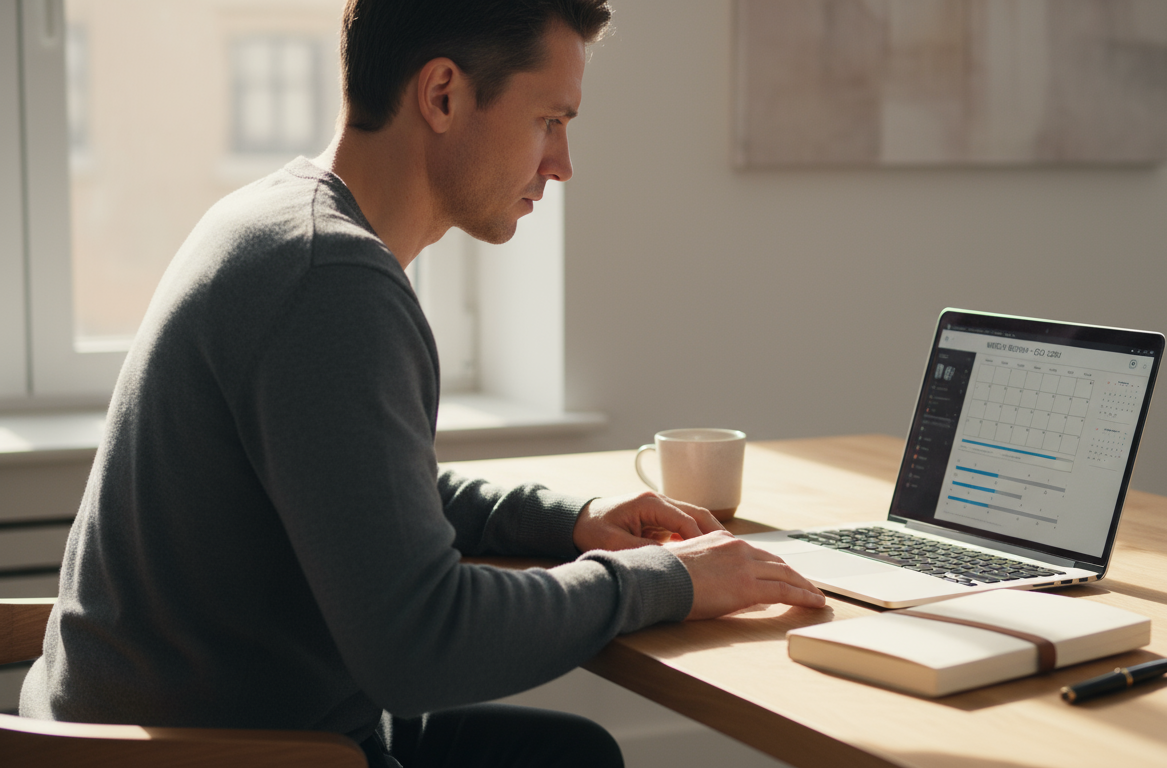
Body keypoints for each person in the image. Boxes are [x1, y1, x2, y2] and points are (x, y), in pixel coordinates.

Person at [19, 1, 825, 765]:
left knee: (568, 756)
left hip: (158, 733)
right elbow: (422, 646)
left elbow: (360, 499)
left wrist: (570, 521)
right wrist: (667, 581)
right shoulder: (330, 282)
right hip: (231, 758)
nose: (563, 164)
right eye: (550, 120)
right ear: (442, 94)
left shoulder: (273, 221)